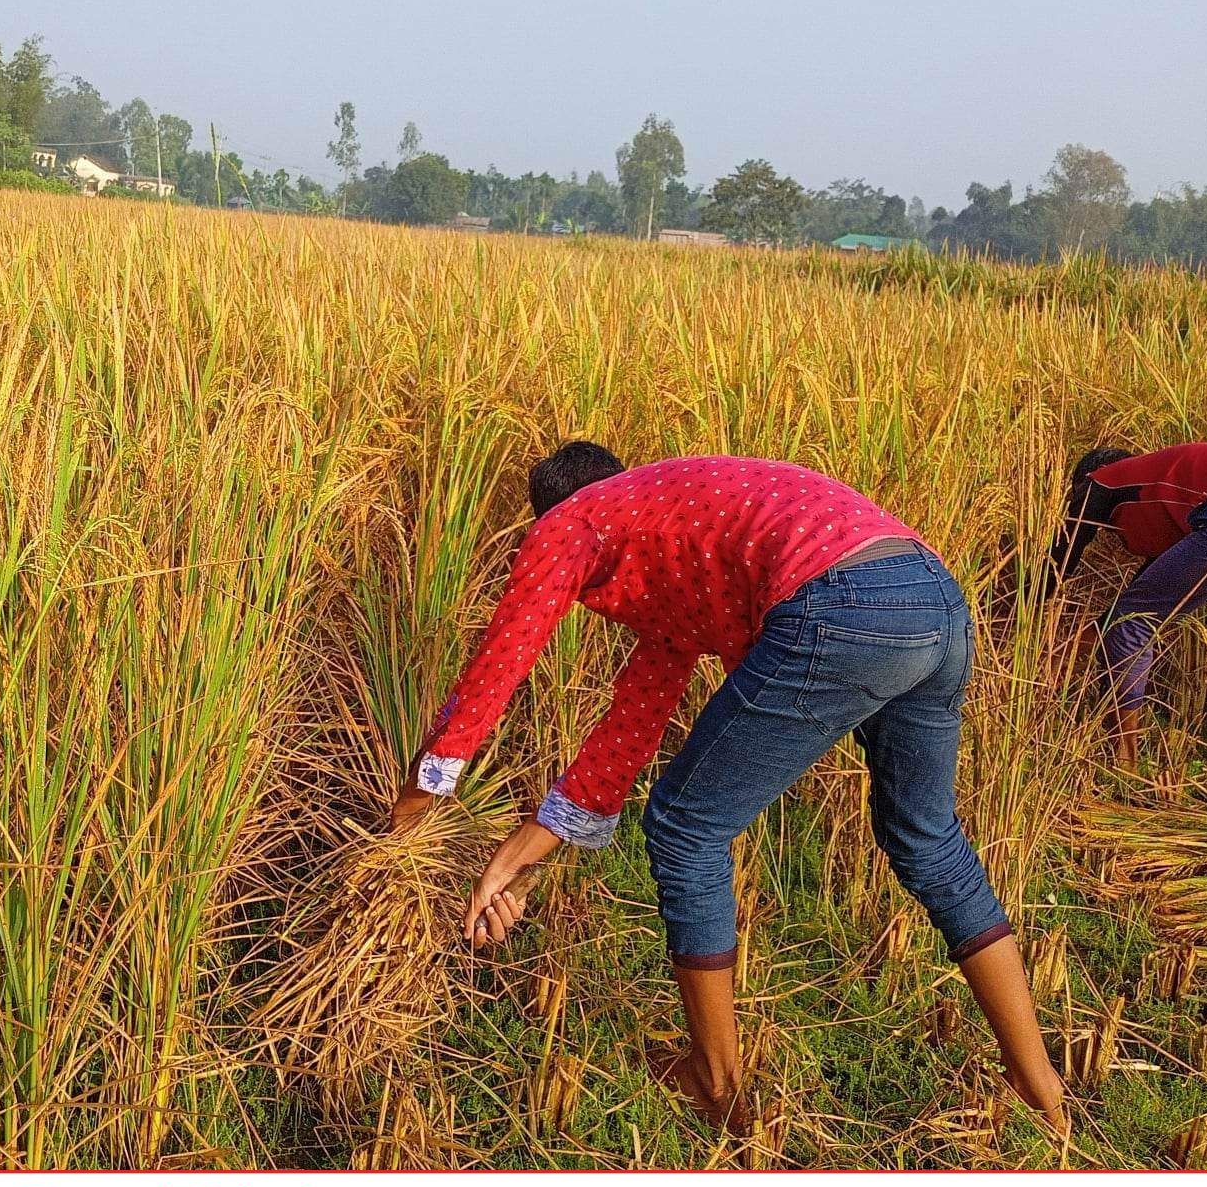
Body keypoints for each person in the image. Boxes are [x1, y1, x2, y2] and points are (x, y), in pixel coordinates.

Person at [390, 443, 1066, 1132]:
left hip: (840, 603)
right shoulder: (666, 522)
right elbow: (636, 712)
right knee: (927, 839)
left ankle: (714, 1082)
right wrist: (534, 845)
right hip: (931, 595)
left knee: (686, 829)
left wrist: (410, 819)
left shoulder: (572, 521)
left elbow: (496, 668)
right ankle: (1037, 1082)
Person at [1043, 441, 1207, 763]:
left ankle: (1124, 763)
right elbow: (1150, 596)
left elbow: (1056, 569)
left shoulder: (1102, 479)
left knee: (1132, 621)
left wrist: (1022, 620)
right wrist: (1067, 654)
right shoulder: (1167, 493)